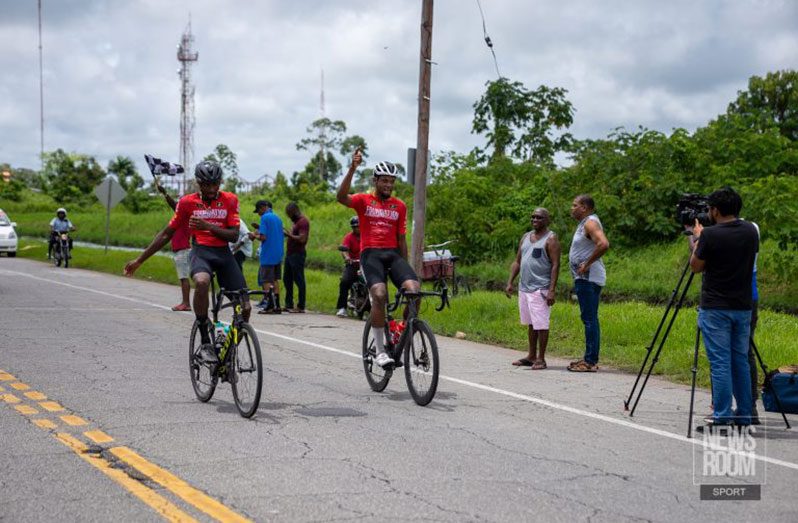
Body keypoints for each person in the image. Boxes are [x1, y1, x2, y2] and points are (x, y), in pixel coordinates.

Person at [124, 161, 250, 364]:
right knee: (201, 282)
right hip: (201, 252)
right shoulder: (187, 203)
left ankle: (229, 351)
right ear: (198, 183)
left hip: (224, 254)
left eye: (215, 184)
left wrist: (206, 225)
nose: (211, 189)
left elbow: (234, 236)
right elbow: (166, 234)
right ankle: (205, 339)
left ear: (220, 182)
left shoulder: (230, 200)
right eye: (206, 184)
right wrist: (140, 260)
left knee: (246, 308)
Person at [337, 149, 420, 368]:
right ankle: (381, 351)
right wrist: (352, 168)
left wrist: (406, 269)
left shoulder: (399, 206)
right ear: (375, 180)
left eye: (391, 182)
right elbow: (341, 197)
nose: (388, 185)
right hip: (370, 254)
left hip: (393, 254)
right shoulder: (364, 200)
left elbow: (402, 239)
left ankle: (402, 332)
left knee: (414, 290)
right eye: (384, 181)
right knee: (380, 294)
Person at [690, 187, 758, 430]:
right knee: (739, 360)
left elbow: (696, 266)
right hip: (743, 306)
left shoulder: (710, 235)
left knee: (720, 363)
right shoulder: (751, 231)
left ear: (715, 210)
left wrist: (697, 238)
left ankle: (721, 416)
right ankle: (745, 415)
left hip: (716, 307)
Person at [506, 208, 561, 370]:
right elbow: (517, 261)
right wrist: (510, 282)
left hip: (540, 288)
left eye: (539, 217)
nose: (535, 219)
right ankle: (531, 356)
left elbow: (556, 265)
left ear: (547, 220)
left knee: (541, 324)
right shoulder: (525, 237)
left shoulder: (551, 239)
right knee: (531, 323)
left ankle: (541, 359)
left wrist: (551, 290)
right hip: (524, 287)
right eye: (533, 217)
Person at [567, 194, 610, 373]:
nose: (572, 208)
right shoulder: (584, 223)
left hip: (588, 279)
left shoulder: (590, 223)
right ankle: (588, 357)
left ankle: (590, 361)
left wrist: (587, 263)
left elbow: (603, 244)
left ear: (584, 207)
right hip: (585, 278)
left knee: (590, 319)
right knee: (589, 318)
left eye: (574, 205)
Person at [155, 179, 192, 312]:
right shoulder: (183, 214)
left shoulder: (185, 214)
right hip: (181, 248)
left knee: (183, 277)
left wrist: (164, 193)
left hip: (183, 249)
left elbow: (174, 204)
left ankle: (186, 303)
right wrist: (164, 193)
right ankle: (185, 302)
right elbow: (174, 205)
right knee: (183, 277)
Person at [249, 200, 284, 314]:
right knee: (275, 280)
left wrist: (254, 235)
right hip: (278, 253)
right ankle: (277, 305)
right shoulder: (277, 218)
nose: (258, 213)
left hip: (268, 254)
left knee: (266, 281)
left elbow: (263, 237)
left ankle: (269, 305)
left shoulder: (264, 217)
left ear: (263, 207)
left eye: (258, 210)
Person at [282, 202, 309, 313]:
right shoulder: (296, 222)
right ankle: (289, 304)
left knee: (299, 279)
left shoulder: (303, 222)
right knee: (287, 279)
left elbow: (302, 239)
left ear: (294, 211)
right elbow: (295, 235)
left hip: (297, 254)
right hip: (290, 254)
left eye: (289, 214)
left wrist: (288, 235)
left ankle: (301, 306)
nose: (289, 216)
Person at [336, 216, 362, 317]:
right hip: (353, 264)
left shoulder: (367, 236)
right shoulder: (349, 237)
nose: (357, 229)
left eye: (359, 226)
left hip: (365, 265)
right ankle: (342, 308)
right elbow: (344, 250)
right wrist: (347, 258)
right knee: (344, 282)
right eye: (355, 227)